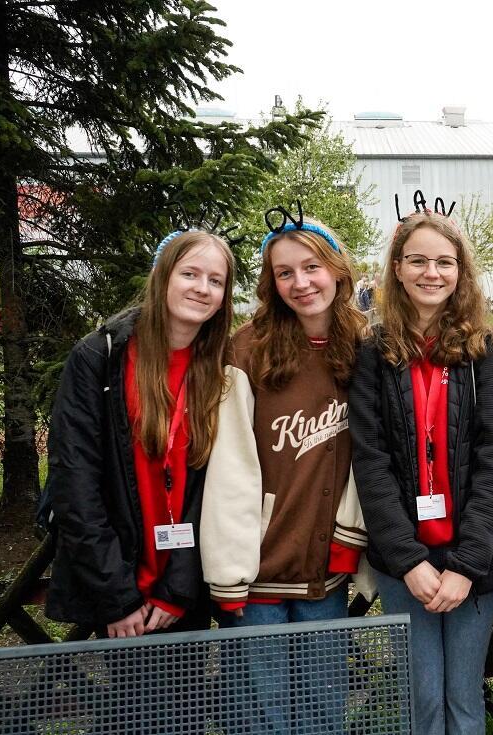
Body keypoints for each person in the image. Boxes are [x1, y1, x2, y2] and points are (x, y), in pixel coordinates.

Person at [200, 206, 368, 732]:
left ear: (336, 269)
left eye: (311, 267)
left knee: (322, 709)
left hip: (327, 563)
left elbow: (373, 457)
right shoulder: (246, 350)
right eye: (285, 272)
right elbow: (229, 468)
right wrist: (230, 569)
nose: (301, 282)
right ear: (271, 283)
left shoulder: (366, 346)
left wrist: (350, 537)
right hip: (259, 566)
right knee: (259, 711)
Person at [349, 211, 493, 735]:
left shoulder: (484, 349)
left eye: (445, 262)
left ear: (460, 271)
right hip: (406, 560)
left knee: (463, 699)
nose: (431, 273)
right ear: (397, 268)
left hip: (472, 557)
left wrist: (466, 565)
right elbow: (370, 461)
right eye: (418, 260)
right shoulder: (374, 351)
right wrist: (408, 561)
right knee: (420, 699)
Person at [45, 226, 235, 637]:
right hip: (119, 585)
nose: (202, 288)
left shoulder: (221, 369)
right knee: (132, 682)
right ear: (162, 276)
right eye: (190, 274)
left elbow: (212, 491)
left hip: (183, 587)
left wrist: (178, 590)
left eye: (215, 280)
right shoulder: (100, 357)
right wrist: (118, 598)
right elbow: (75, 482)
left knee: (188, 679)